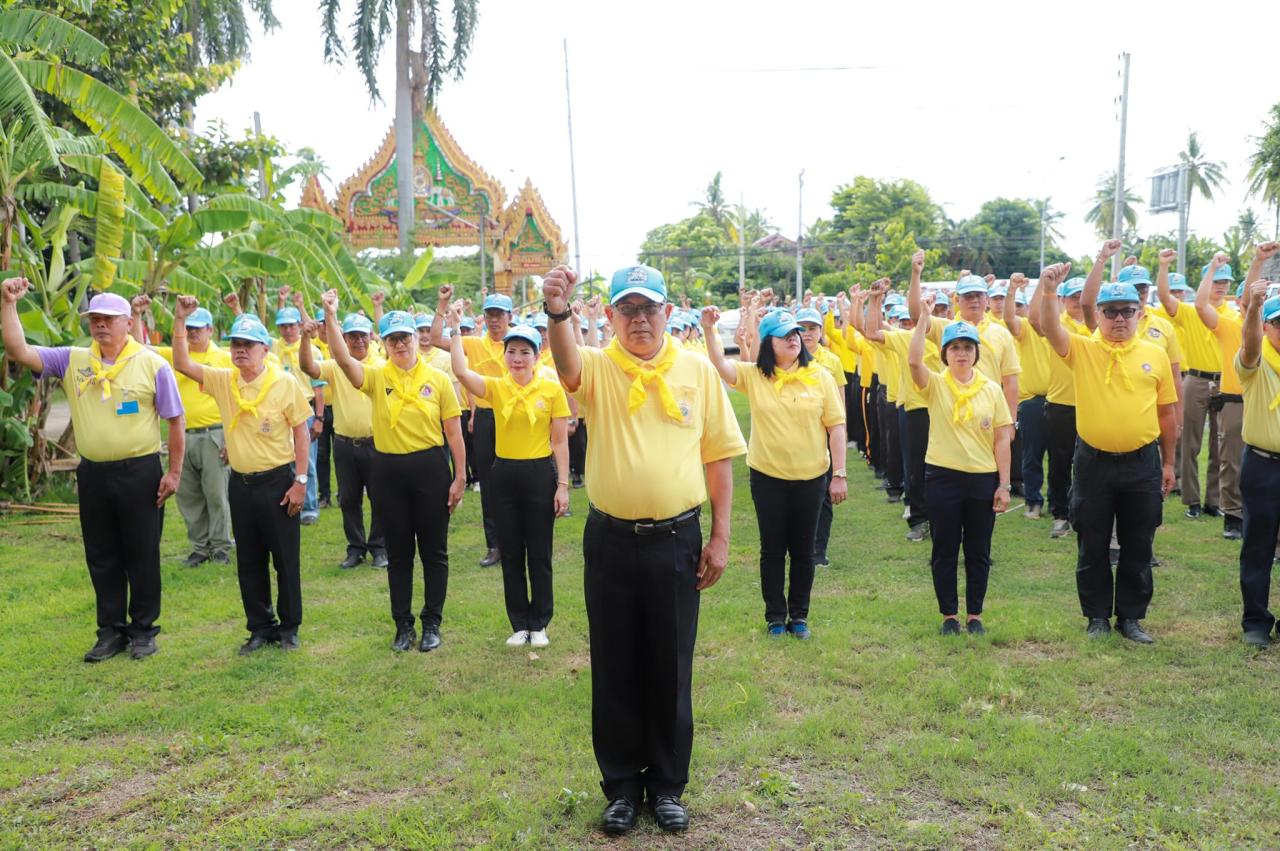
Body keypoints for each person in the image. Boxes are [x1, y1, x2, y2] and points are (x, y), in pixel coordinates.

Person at [543, 263, 746, 836]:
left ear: (667, 313)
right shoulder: (602, 368)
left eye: (648, 308)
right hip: (610, 541)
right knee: (615, 665)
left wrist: (721, 537)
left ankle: (667, 786)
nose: (639, 319)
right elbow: (566, 366)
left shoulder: (697, 371)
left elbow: (718, 458)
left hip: (677, 540)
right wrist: (558, 313)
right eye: (627, 309)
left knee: (670, 663)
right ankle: (622, 789)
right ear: (607, 317)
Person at [2, 283, 184, 662]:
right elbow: (18, 350)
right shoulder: (73, 359)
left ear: (128, 323)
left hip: (140, 471)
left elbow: (175, 419)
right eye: (95, 320)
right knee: (101, 554)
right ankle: (110, 631)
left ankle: (143, 630)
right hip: (95, 475)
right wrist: (7, 304)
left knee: (142, 553)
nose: (100, 326)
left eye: (108, 320)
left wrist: (174, 473)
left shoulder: (152, 364)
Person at [1039, 266, 1178, 643]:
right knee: (1093, 541)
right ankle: (1097, 616)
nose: (1119, 318)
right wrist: (1049, 291)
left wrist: (1168, 463)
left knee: (1139, 542)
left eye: (1127, 311)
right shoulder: (1083, 348)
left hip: (1141, 463)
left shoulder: (1155, 354)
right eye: (1111, 311)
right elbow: (1051, 329)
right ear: (1097, 315)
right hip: (1093, 464)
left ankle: (1131, 617)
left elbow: (1167, 413)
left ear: (1139, 313)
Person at [324, 292, 467, 652]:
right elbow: (342, 359)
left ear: (416, 339)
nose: (400, 344)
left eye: (405, 337)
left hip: (431, 468)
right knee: (399, 553)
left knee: (434, 551)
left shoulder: (438, 379)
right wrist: (331, 315)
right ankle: (402, 625)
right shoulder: (375, 377)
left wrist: (460, 476)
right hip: (388, 470)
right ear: (383, 344)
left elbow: (453, 432)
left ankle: (432, 622)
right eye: (392, 339)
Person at [170, 299, 310, 654]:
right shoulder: (223, 380)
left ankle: (289, 626)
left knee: (284, 559)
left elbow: (301, 433)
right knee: (249, 560)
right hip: (242, 484)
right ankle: (260, 627)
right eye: (235, 344)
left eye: (248, 345)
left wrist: (301, 481)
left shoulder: (284, 383)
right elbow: (182, 362)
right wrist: (180, 319)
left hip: (278, 481)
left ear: (265, 349)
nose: (240, 351)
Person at [704, 305, 846, 637]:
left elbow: (836, 427)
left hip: (811, 477)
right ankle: (774, 616)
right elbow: (721, 366)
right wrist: (710, 330)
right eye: (785, 335)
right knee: (772, 549)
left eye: (796, 333)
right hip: (768, 477)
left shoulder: (820, 376)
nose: (794, 339)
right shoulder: (755, 375)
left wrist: (839, 473)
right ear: (769, 343)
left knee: (803, 550)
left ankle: (799, 616)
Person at [445, 296, 571, 648]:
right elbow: (460, 371)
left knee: (539, 552)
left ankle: (540, 622)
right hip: (504, 476)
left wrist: (562, 485)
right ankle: (519, 623)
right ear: (505, 357)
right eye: (511, 352)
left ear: (536, 355)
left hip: (539, 475)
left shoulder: (550, 389)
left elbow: (560, 443)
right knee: (512, 551)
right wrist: (455, 328)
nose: (517, 359)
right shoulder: (497, 388)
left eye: (524, 352)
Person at [907, 305, 1012, 635]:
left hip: (982, 478)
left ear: (976, 353)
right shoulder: (936, 385)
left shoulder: (991, 390)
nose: (962, 353)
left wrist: (1004, 484)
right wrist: (924, 319)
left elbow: (1001, 440)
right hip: (942, 476)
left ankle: (975, 615)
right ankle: (949, 615)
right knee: (945, 548)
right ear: (945, 354)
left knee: (979, 549)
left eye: (968, 347)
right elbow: (913, 361)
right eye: (955, 348)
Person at [131, 295, 233, 567]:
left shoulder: (224, 357)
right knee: (189, 497)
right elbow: (139, 349)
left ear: (210, 330)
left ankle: (221, 546)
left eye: (198, 329)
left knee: (217, 494)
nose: (192, 334)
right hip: (183, 437)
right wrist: (137, 315)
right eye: (188, 328)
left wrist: (232, 439)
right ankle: (200, 547)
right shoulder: (174, 354)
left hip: (215, 433)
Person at [300, 312, 388, 569]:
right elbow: (309, 367)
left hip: (377, 442)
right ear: (344, 339)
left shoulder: (383, 365)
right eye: (352, 336)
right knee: (348, 499)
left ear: (371, 336)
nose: (358, 341)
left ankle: (380, 547)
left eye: (362, 335)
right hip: (345, 443)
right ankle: (356, 548)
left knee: (380, 498)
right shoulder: (336, 365)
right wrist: (306, 339)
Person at [429, 291, 511, 566]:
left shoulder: (518, 343)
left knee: (518, 478)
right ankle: (495, 545)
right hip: (488, 416)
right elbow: (435, 339)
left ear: (509, 317)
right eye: (490, 314)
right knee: (489, 481)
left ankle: (518, 542)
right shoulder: (474, 344)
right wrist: (444, 308)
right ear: (484, 318)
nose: (495, 320)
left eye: (500, 315)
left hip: (515, 416)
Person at [863, 273, 942, 542]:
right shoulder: (906, 337)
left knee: (948, 468)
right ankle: (919, 519)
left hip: (947, 412)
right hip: (916, 411)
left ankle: (946, 519)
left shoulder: (954, 338)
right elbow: (872, 332)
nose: (934, 314)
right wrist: (875, 300)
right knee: (916, 467)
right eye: (930, 309)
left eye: (940, 310)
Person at [1158, 251, 1230, 520]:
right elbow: (1165, 298)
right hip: (1196, 380)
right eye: (1216, 281)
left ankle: (1214, 500)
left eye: (1225, 282)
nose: (1221, 286)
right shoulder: (1189, 311)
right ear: (1205, 283)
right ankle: (1191, 500)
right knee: (1190, 443)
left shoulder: (1231, 314)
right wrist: (1164, 266)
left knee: (1219, 446)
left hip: (1224, 382)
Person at [1195, 252, 1254, 540]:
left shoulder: (1273, 330)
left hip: (1264, 404)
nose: (1251, 305)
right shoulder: (1229, 326)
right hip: (1234, 401)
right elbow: (1201, 305)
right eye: (1246, 300)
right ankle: (1232, 514)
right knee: (1231, 460)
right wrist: (1214, 268)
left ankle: (1258, 514)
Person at [1235, 275, 1280, 647]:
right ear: (1266, 327)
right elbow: (1249, 345)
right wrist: (1253, 306)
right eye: (1278, 323)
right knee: (1258, 545)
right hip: (1263, 465)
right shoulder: (1256, 363)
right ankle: (1256, 622)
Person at [796, 306, 848, 565]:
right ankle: (799, 546)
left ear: (820, 331)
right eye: (802, 328)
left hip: (825, 432)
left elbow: (840, 399)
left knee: (823, 495)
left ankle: (818, 550)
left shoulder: (832, 360)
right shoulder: (788, 359)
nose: (807, 334)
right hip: (798, 434)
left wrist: (840, 431)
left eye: (813, 328)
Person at [272, 299, 326, 525]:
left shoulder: (312, 351)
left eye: (291, 325)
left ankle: (309, 506)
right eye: (282, 326)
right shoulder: (275, 348)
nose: (287, 330)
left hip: (305, 408)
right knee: (286, 458)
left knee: (308, 460)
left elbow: (319, 387)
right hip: (280, 410)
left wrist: (320, 418)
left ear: (299, 325)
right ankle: (289, 500)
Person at [1003, 276, 1050, 520]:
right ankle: (1033, 501)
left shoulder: (1064, 329)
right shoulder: (1027, 329)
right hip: (1032, 402)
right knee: (1032, 454)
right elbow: (1009, 318)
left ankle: (1059, 501)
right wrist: (1012, 290)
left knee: (1062, 457)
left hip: (1063, 401)